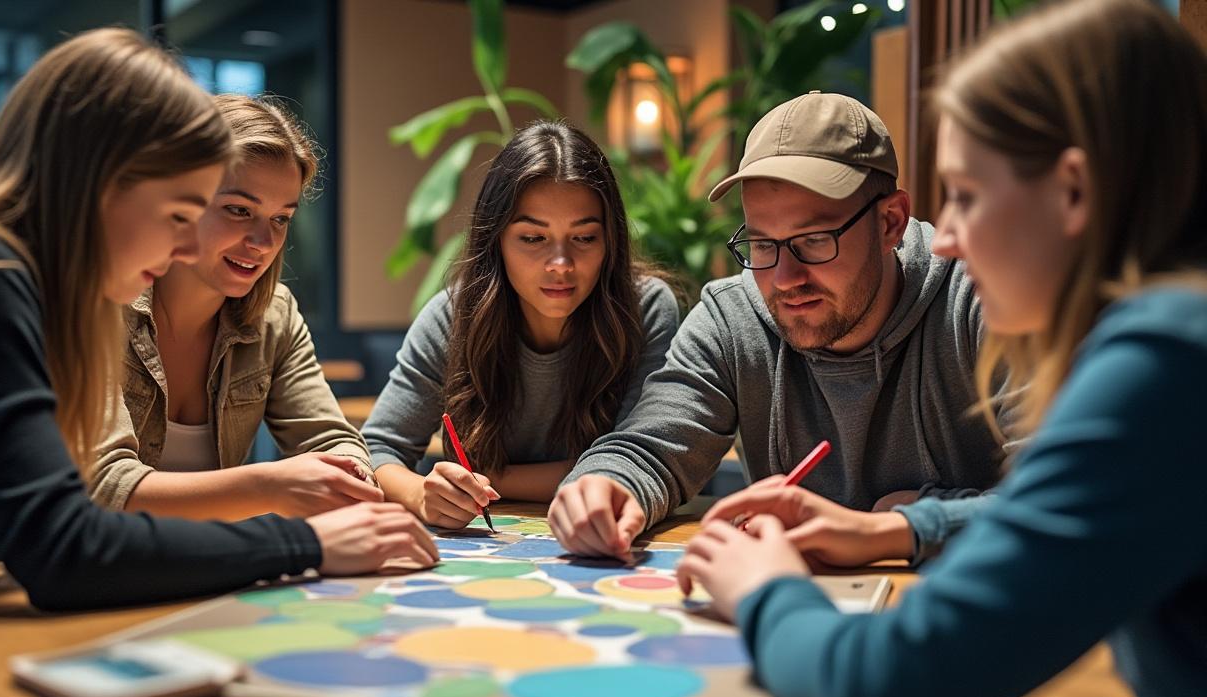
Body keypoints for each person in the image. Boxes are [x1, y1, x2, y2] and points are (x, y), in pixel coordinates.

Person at [0, 29, 435, 697]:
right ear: (105, 182)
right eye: (180, 215)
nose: (190, 250)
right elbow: (64, 549)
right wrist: (306, 542)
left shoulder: (0, 272)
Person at [675, 0, 1207, 697]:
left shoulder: (1163, 368)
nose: (946, 237)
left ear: (1074, 191)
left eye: (964, 192)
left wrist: (763, 588)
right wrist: (908, 529)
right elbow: (1062, 528)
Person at [551, 92, 1007, 561]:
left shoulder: (983, 302)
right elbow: (650, 446)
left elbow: (1070, 500)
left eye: (813, 240)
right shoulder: (733, 318)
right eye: (763, 244)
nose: (785, 279)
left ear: (890, 222)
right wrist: (606, 484)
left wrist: (901, 528)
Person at [363, 120, 679, 528]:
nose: (561, 264)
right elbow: (376, 447)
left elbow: (642, 459)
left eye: (584, 238)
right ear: (496, 240)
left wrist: (492, 478)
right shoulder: (452, 316)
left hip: (604, 533)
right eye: (533, 238)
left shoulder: (645, 309)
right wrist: (420, 495)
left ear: (610, 242)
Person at [91, 94, 381, 520]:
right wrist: (269, 485)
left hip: (217, 561)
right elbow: (104, 488)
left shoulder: (274, 315)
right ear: (180, 203)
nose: (263, 242)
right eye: (238, 210)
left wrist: (352, 475)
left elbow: (330, 441)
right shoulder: (100, 305)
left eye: (281, 218)